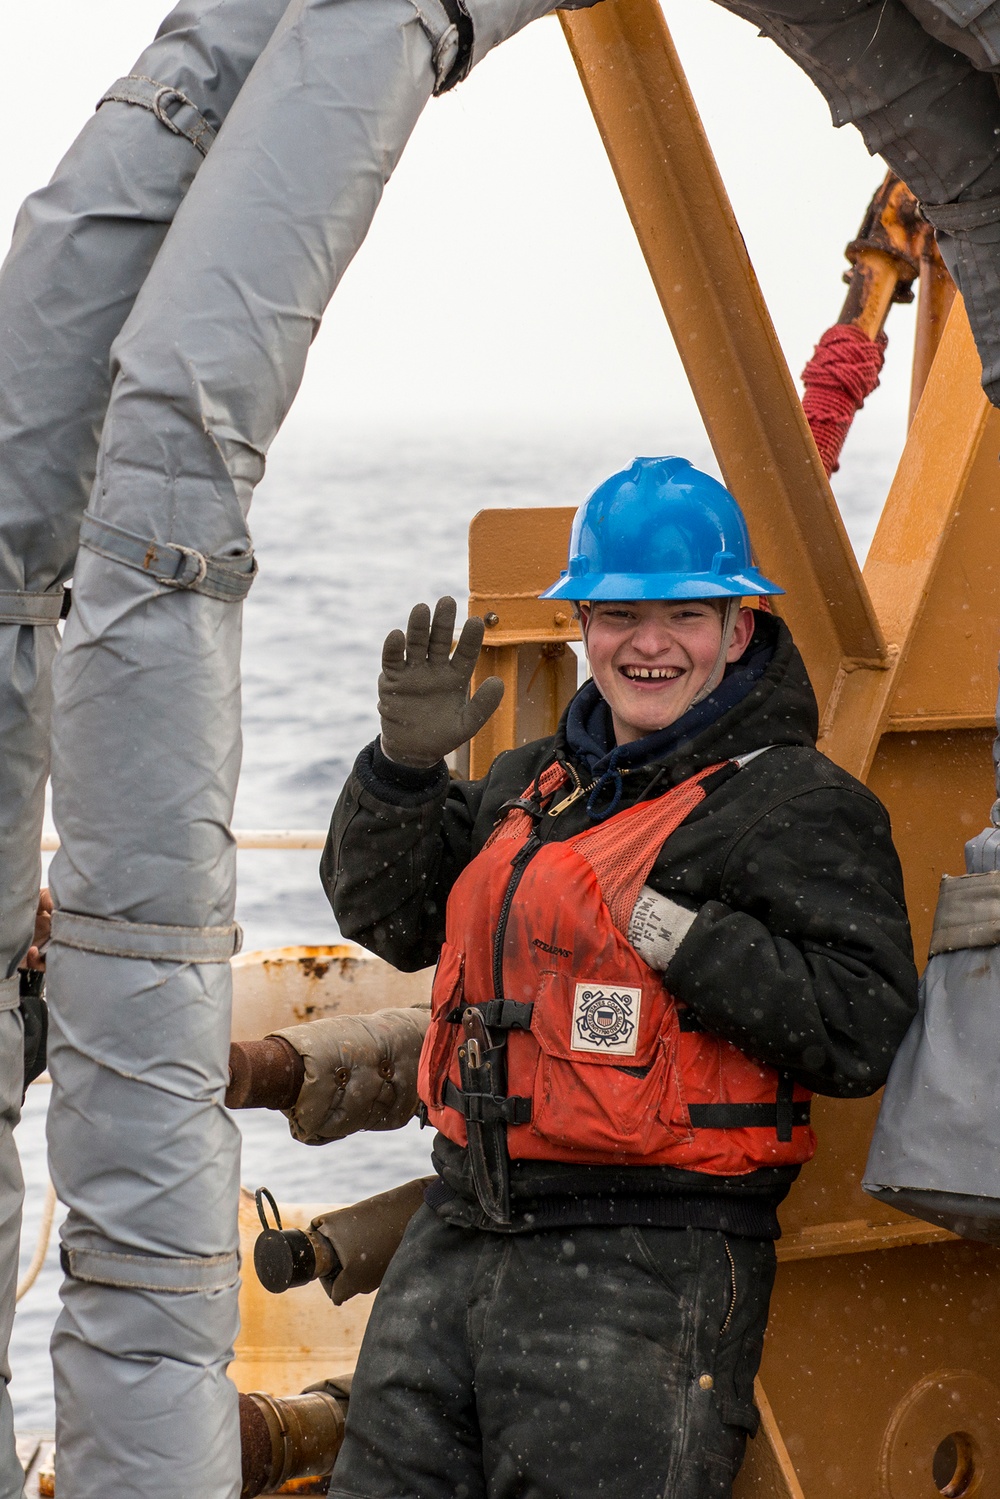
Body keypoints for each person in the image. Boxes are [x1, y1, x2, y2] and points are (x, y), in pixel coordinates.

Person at [320, 455, 918, 1499]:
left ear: (738, 627)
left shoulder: (795, 804)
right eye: (616, 614)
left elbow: (859, 1023)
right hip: (460, 1231)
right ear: (580, 627)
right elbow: (396, 919)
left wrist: (670, 929)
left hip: (649, 1263)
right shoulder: (529, 781)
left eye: (684, 614)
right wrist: (399, 774)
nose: (648, 645)